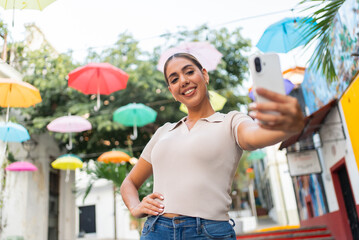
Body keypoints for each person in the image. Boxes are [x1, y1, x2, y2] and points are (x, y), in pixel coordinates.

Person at [120, 53, 305, 239]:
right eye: (174, 79)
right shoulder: (163, 132)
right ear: (172, 91)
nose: (183, 81)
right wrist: (135, 207)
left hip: (208, 232)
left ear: (205, 75)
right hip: (156, 231)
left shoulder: (231, 121)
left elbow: (254, 136)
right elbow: (129, 183)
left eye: (189, 72)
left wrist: (285, 129)